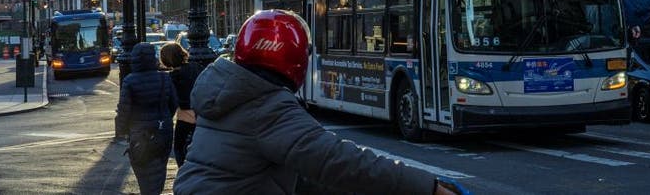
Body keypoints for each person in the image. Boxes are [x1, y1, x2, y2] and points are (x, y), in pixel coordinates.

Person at [173, 10, 464, 195]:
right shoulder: (267, 107)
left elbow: (301, 170)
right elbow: (338, 160)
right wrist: (428, 187)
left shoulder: (231, 92)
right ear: (296, 57)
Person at [115, 42, 178, 195]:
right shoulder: (164, 78)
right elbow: (173, 103)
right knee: (159, 169)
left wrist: (121, 130)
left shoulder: (130, 81)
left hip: (140, 134)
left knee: (145, 173)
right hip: (164, 131)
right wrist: (164, 118)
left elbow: (124, 110)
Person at [160, 41, 198, 167]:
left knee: (179, 149)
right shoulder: (196, 67)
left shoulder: (171, 78)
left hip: (184, 118)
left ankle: (184, 173)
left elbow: (171, 102)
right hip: (202, 116)